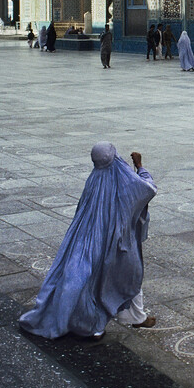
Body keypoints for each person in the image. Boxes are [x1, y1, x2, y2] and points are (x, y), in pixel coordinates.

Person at [19, 143, 156, 339]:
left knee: (94, 278)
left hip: (86, 238)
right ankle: (96, 324)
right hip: (116, 243)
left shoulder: (94, 180)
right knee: (126, 274)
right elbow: (148, 189)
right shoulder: (124, 179)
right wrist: (141, 166)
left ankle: (133, 317)